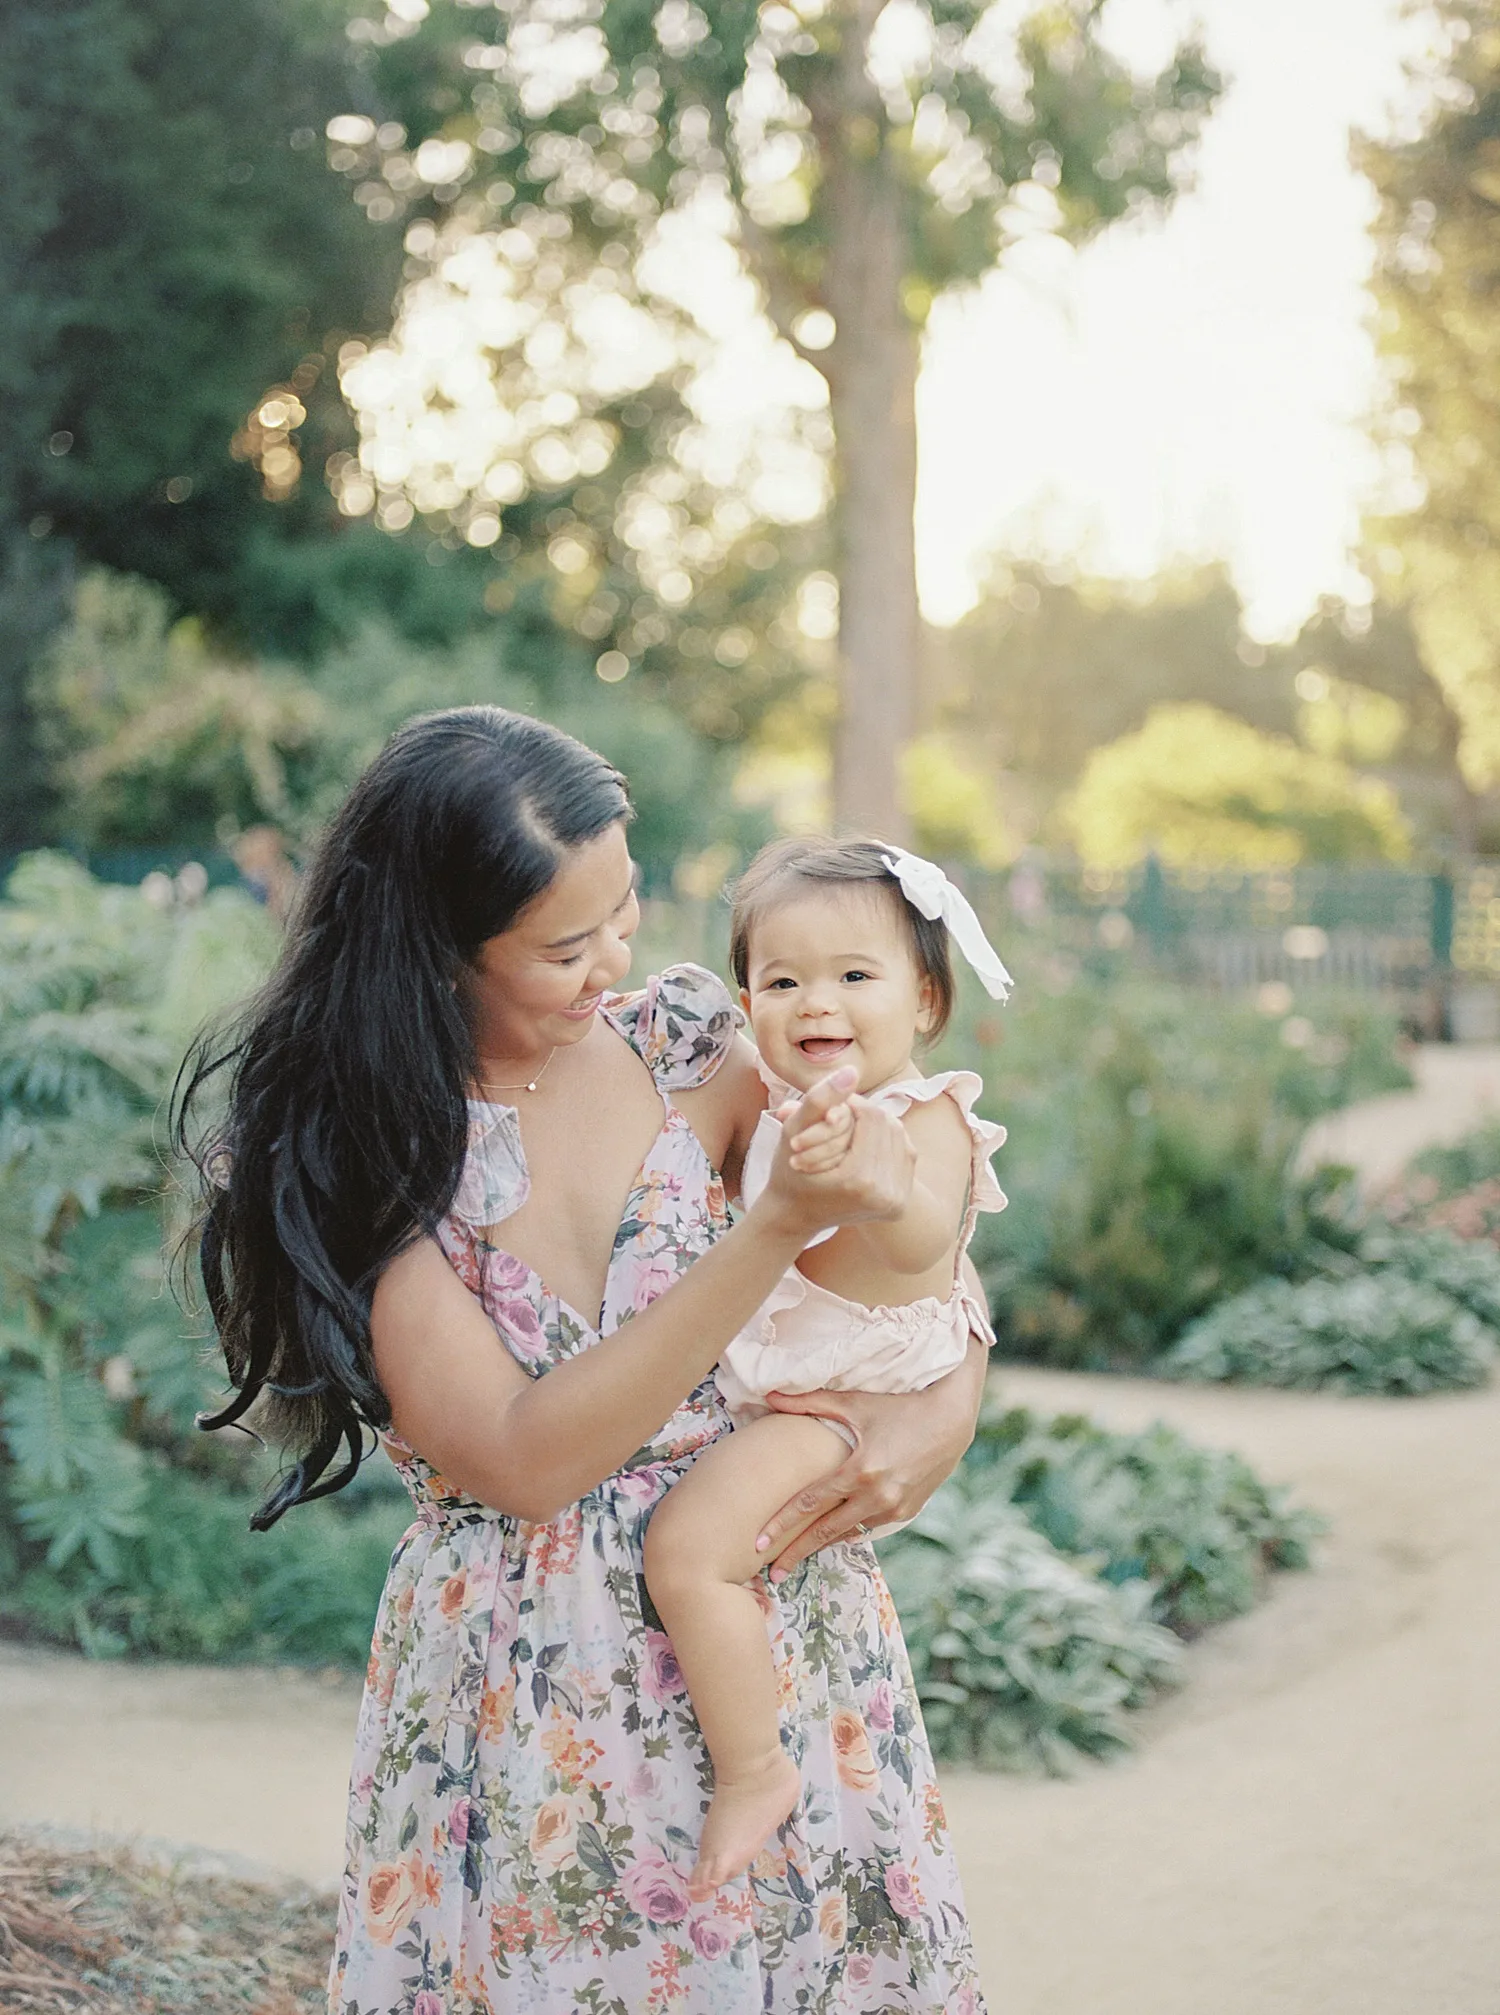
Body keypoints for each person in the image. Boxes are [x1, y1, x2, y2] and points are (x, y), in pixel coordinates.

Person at [177, 706, 991, 2013]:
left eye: (624, 910)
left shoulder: (678, 1042)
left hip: (773, 1637)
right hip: (527, 1681)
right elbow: (528, 1456)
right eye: (567, 943)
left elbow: (897, 1219)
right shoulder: (360, 1161)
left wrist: (948, 1394)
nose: (616, 958)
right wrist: (765, 1228)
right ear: (442, 949)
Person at [644, 837, 1012, 1900]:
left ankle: (756, 1766)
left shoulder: (925, 1116)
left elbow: (926, 1242)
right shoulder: (764, 1097)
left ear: (926, 998)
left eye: (856, 975)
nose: (820, 1002)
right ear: (746, 996)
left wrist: (883, 1185)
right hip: (783, 1381)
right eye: (783, 978)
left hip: (850, 1394)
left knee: (689, 1547)